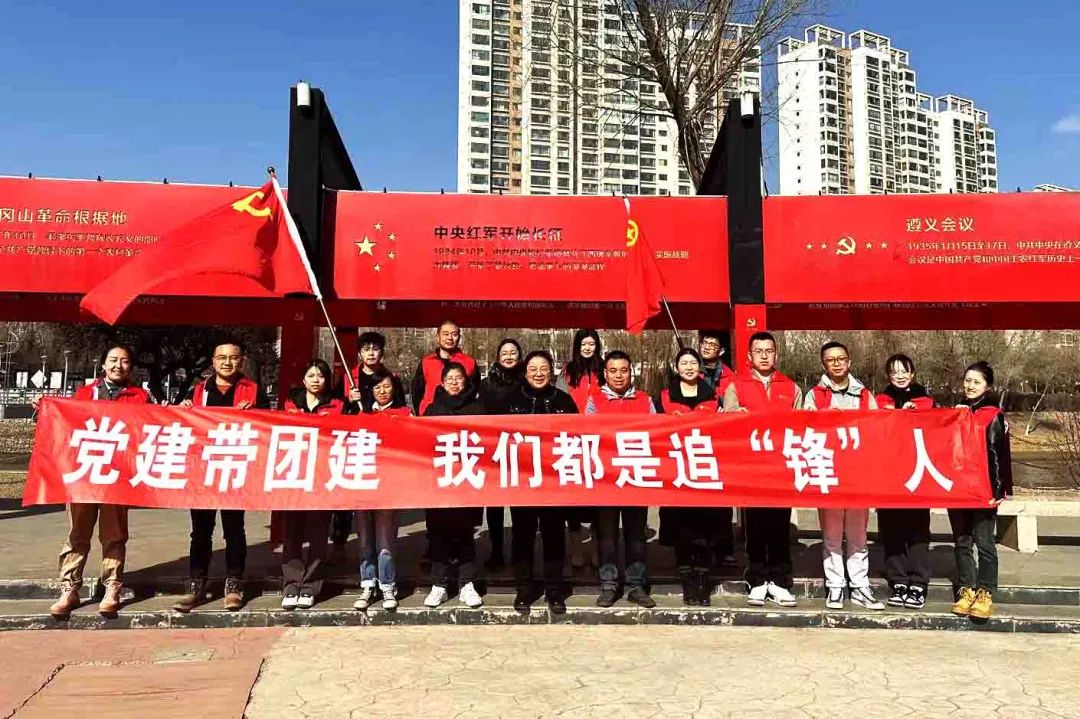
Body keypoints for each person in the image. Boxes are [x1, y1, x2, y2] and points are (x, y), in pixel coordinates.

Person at [44, 345, 153, 619]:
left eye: (124, 361)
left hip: (118, 477)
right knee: (77, 535)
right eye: (113, 360)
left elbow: (151, 428)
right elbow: (66, 424)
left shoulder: (140, 397)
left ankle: (112, 587)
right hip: (85, 474)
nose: (118, 365)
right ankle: (69, 588)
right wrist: (46, 409)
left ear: (131, 367)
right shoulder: (85, 393)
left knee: (114, 535)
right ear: (103, 365)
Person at [173, 339, 268, 613]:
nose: (228, 362)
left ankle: (234, 583)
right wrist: (184, 410)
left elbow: (269, 426)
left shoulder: (254, 391)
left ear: (242, 361)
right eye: (222, 357)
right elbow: (181, 427)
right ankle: (196, 583)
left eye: (233, 357)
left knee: (234, 529)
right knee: (200, 531)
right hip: (203, 472)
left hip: (235, 470)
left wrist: (256, 414)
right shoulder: (198, 392)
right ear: (213, 361)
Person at [723, 332, 803, 609]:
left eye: (769, 351)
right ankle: (757, 579)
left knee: (779, 525)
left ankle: (780, 580)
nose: (765, 356)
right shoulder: (737, 386)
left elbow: (802, 425)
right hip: (752, 468)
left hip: (781, 468)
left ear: (776, 354)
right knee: (755, 526)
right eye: (759, 351)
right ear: (750, 356)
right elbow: (726, 423)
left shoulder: (790, 387)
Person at [803, 341, 884, 611]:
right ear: (823, 364)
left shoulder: (864, 395)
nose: (837, 363)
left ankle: (860, 585)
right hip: (828, 470)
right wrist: (823, 418)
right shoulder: (814, 396)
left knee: (858, 534)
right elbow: (804, 428)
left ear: (849, 361)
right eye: (831, 360)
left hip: (858, 472)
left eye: (841, 358)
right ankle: (835, 585)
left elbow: (877, 429)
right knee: (832, 533)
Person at [496, 350, 578, 613]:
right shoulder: (510, 401)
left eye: (544, 369)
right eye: (533, 369)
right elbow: (494, 435)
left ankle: (555, 589)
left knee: (554, 534)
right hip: (522, 480)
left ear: (551, 372)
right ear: (525, 372)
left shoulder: (564, 401)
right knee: (523, 534)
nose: (538, 374)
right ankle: (524, 588)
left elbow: (578, 436)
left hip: (554, 480)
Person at [585, 350, 657, 609]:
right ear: (605, 374)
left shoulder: (645, 400)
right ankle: (609, 584)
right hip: (606, 477)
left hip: (635, 475)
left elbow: (656, 433)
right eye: (613, 371)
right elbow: (588, 434)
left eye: (623, 370)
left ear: (631, 372)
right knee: (607, 535)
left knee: (636, 533)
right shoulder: (594, 401)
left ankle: (636, 584)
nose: (618, 376)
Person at [653, 348, 720, 606]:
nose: (689, 367)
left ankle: (703, 580)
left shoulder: (713, 396)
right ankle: (687, 581)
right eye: (684, 363)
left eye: (693, 362)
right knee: (682, 528)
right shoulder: (664, 396)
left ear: (699, 367)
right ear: (676, 367)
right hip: (676, 470)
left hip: (704, 470)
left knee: (704, 528)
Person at [331, 331, 405, 561]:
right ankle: (339, 542)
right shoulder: (349, 377)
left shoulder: (390, 377)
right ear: (359, 353)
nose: (371, 353)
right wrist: (348, 401)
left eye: (375, 349)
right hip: (354, 444)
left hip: (382, 448)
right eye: (366, 349)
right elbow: (335, 410)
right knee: (348, 497)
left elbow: (400, 409)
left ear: (382, 352)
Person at [276, 359, 343, 610]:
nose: (316, 380)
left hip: (323, 476)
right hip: (294, 474)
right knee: (292, 533)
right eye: (311, 375)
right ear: (303, 379)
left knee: (318, 533)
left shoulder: (338, 405)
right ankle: (291, 584)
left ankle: (310, 585)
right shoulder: (290, 404)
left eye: (321, 376)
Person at [950, 361, 1012, 620]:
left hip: (983, 489)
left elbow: (998, 455)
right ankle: (966, 589)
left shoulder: (992, 415)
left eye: (976, 382)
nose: (970, 385)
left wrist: (997, 491)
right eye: (967, 380)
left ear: (987, 386)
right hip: (958, 488)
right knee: (962, 541)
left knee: (985, 542)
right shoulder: (956, 412)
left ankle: (985, 591)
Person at [421, 362, 485, 608]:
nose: (455, 383)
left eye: (459, 378)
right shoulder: (433, 409)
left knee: (465, 534)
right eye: (450, 379)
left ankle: (467, 583)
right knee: (438, 535)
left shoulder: (478, 409)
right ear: (442, 382)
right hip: (439, 482)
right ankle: (439, 584)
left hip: (467, 480)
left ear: (466, 381)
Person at [875, 354, 935, 610]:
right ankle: (898, 580)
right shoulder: (880, 401)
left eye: (904, 371)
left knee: (918, 531)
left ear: (912, 374)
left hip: (918, 476)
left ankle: (919, 582)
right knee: (891, 530)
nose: (899, 376)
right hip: (888, 476)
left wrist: (914, 414)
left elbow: (938, 430)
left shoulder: (926, 402)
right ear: (888, 376)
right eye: (894, 372)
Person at [353, 367, 410, 612]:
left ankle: (387, 585)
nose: (383, 391)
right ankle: (368, 584)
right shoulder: (361, 413)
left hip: (389, 486)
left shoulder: (404, 414)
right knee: (365, 541)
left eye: (387, 386)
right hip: (363, 485)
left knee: (385, 542)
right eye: (377, 387)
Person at [556, 329, 605, 569]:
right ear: (577, 346)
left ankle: (596, 547)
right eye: (583, 344)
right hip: (572, 439)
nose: (587, 348)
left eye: (591, 344)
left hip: (600, 440)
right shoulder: (567, 371)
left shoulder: (604, 369)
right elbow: (559, 400)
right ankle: (575, 546)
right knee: (573, 498)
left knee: (598, 497)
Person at [477, 338, 524, 571]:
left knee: (520, 505)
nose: (508, 356)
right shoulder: (486, 385)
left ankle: (519, 552)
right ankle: (496, 551)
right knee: (494, 505)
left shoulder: (527, 381)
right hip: (493, 450)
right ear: (497, 356)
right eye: (504, 352)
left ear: (519, 356)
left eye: (513, 352)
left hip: (521, 450)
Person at [698, 329, 737, 565]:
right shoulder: (691, 370)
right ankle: (701, 549)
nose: (707, 347)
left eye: (712, 344)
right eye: (705, 343)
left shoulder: (730, 377)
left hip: (721, 443)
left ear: (721, 351)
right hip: (696, 442)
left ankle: (724, 549)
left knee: (722, 499)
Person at [411, 319, 481, 416]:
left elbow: (475, 390)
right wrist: (421, 412)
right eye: (445, 334)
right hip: (430, 415)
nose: (450, 338)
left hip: (461, 415)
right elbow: (417, 392)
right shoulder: (426, 362)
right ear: (437, 337)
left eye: (454, 334)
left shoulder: (469, 362)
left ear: (459, 337)